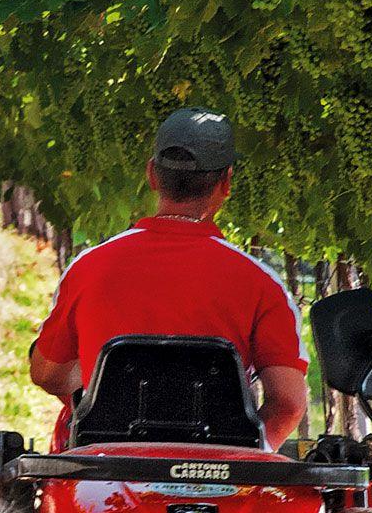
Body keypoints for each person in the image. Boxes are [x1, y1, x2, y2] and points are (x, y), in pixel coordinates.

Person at [28, 107, 310, 449]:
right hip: (218, 474)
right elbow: (289, 404)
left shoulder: (88, 268)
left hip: (107, 472)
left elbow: (47, 374)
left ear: (152, 174)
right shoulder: (263, 285)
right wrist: (242, 458)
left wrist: (97, 399)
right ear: (226, 183)